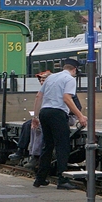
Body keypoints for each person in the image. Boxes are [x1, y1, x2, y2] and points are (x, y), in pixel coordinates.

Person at [33, 59, 85, 189]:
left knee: (48, 146)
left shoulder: (51, 77)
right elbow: (67, 98)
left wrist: (35, 116)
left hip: (44, 112)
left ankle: (40, 179)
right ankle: (62, 180)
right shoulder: (70, 79)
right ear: (74, 70)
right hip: (57, 113)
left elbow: (38, 96)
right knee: (62, 146)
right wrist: (80, 116)